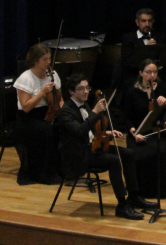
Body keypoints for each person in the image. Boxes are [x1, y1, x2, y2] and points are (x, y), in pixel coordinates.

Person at [55, 75, 157, 219]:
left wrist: (107, 132)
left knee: (128, 153)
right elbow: (79, 131)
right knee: (113, 160)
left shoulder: (85, 105)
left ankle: (134, 196)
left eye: (87, 88)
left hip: (93, 147)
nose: (85, 91)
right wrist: (95, 112)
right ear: (71, 92)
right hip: (78, 155)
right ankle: (122, 205)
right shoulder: (66, 112)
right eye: (81, 89)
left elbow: (90, 129)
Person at [119, 60, 166, 199]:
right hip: (138, 132)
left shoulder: (162, 89)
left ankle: (159, 190)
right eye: (148, 72)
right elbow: (126, 117)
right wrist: (134, 133)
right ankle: (139, 191)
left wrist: (164, 105)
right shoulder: (131, 91)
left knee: (162, 149)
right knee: (139, 154)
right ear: (141, 73)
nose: (152, 75)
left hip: (157, 131)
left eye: (155, 72)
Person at [13, 43, 63, 185]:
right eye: (45, 59)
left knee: (65, 126)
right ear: (35, 60)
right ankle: (43, 173)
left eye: (49, 58)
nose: (48, 62)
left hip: (49, 112)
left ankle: (64, 168)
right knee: (46, 131)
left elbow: (59, 98)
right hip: (29, 118)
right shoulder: (26, 78)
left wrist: (63, 112)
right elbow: (26, 107)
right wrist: (42, 92)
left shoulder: (53, 75)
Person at [112, 8, 165, 96]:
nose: (147, 24)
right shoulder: (128, 38)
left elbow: (163, 59)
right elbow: (127, 62)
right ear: (137, 22)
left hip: (154, 76)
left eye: (150, 21)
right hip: (134, 75)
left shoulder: (159, 37)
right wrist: (145, 49)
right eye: (143, 21)